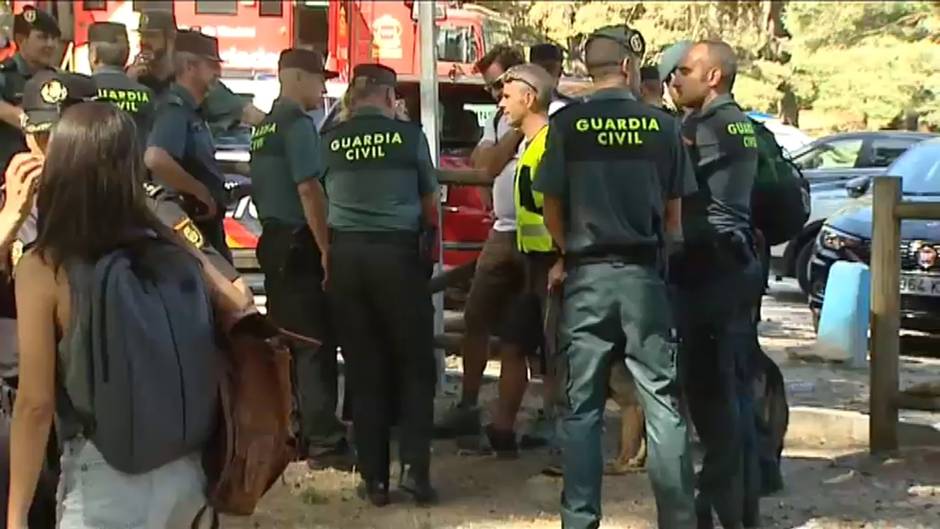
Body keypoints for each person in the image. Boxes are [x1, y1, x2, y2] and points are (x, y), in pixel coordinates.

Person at [6, 100, 251, 529]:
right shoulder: (170, 246)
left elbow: (34, 406)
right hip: (188, 476)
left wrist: (15, 513)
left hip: (104, 479)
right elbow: (238, 302)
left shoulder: (46, 267)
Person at [534, 25, 696, 529]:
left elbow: (550, 205)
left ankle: (579, 519)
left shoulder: (566, 127)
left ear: (588, 69)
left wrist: (568, 251)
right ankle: (677, 518)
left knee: (581, 408)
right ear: (628, 68)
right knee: (661, 403)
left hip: (586, 278)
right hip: (643, 277)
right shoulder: (664, 128)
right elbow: (675, 221)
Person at [320, 63, 438, 506]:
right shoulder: (409, 138)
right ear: (390, 98)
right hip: (397, 255)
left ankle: (374, 480)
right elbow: (430, 205)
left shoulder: (329, 140)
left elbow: (319, 193)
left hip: (348, 256)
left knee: (364, 368)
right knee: (414, 365)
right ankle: (415, 470)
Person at [669, 40, 764, 529]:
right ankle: (743, 508)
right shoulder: (742, 124)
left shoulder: (702, 127)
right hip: (737, 264)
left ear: (713, 78)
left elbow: (667, 181)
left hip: (710, 269)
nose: (675, 79)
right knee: (736, 392)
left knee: (709, 395)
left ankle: (714, 509)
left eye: (685, 71)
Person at [250, 49, 351, 469]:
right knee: (313, 344)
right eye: (317, 78)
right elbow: (309, 190)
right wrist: (327, 249)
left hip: (273, 241)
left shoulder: (264, 127)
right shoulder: (296, 125)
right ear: (294, 77)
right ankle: (324, 439)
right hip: (298, 242)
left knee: (288, 341)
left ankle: (294, 432)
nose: (323, 88)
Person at [434, 45, 529, 447]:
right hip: (499, 231)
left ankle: (507, 424)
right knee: (476, 319)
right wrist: (509, 138)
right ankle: (468, 407)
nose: (494, 97)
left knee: (518, 336)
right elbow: (480, 161)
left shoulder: (547, 116)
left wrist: (499, 152)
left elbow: (488, 166)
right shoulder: (502, 119)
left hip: (530, 238)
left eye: (500, 87)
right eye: (490, 89)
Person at [482, 63, 560, 456]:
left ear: (529, 99)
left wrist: (563, 258)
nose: (501, 103)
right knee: (513, 343)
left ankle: (557, 433)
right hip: (528, 260)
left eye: (508, 96)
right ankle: (502, 428)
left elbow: (561, 207)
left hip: (549, 264)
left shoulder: (549, 144)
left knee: (552, 352)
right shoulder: (528, 142)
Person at [145, 30, 233, 263]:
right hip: (188, 225)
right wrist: (199, 191)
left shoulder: (192, 110)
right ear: (189, 66)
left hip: (201, 225)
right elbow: (155, 158)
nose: (218, 73)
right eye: (212, 66)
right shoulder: (175, 109)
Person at [129, 10, 264, 129]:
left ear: (171, 37)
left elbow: (248, 112)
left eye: (152, 36)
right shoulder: (134, 78)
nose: (144, 42)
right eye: (142, 35)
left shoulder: (188, 78)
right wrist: (127, 83)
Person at [0, 6, 59, 173]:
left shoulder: (58, 79)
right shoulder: (5, 77)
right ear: (21, 40)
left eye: (53, 38)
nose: (50, 44)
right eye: (42, 37)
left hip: (49, 175)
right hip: (10, 178)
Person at [87, 21, 155, 147]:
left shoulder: (80, 91)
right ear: (127, 54)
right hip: (133, 165)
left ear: (93, 54)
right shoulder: (146, 94)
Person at [528, 43, 575, 115]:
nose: (545, 74)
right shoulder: (519, 108)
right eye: (540, 69)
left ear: (560, 72)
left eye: (550, 68)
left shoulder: (571, 108)